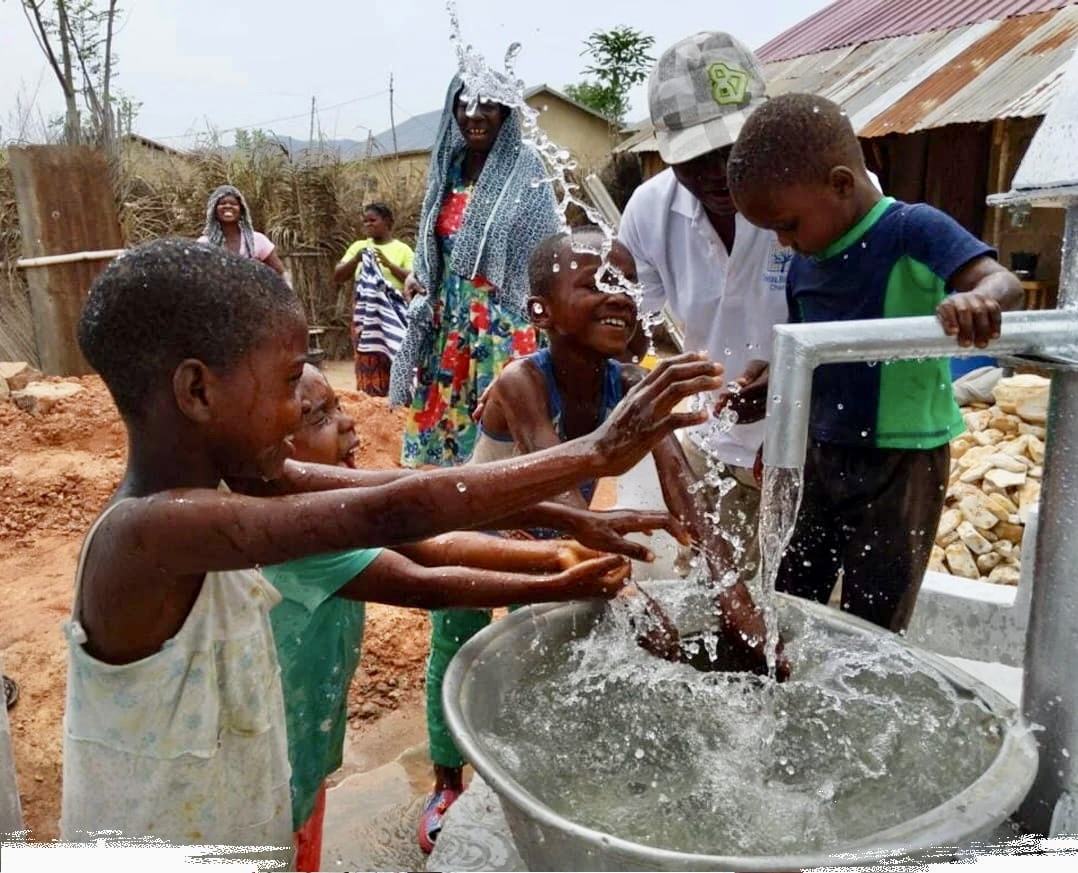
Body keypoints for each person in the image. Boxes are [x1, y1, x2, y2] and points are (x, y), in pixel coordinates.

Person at [61, 238, 721, 864]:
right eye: (291, 382)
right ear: (199, 391)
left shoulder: (249, 480)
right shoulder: (147, 534)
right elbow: (393, 513)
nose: (299, 411)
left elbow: (393, 488)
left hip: (239, 822)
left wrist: (568, 520)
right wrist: (593, 453)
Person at [418, 228, 790, 853]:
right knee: (460, 644)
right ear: (541, 310)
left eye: (623, 283)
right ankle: (446, 780)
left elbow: (686, 492)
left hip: (559, 530)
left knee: (536, 655)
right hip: (481, 529)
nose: (616, 296)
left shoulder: (630, 380)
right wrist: (629, 593)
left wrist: (735, 598)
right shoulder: (520, 383)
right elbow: (560, 496)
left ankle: (526, 768)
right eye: (592, 284)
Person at [267, 363, 641, 871]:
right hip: (268, 760)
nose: (350, 421)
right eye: (319, 416)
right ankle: (445, 785)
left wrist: (556, 553)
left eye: (338, 404)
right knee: (271, 839)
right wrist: (555, 577)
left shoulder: (326, 503)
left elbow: (424, 533)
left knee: (298, 828)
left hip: (300, 743)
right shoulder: (298, 528)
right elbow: (426, 576)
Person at [726, 92, 1024, 632]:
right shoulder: (807, 260)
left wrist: (979, 300)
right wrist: (771, 389)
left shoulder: (912, 229)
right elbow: (805, 352)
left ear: (841, 183)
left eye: (789, 224)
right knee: (789, 601)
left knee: (876, 618)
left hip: (902, 462)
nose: (784, 242)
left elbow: (1000, 282)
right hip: (818, 454)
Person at [618, 32, 792, 582]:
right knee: (713, 595)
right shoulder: (650, 210)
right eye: (696, 158)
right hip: (714, 445)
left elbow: (862, 319)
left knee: (807, 612)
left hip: (813, 451)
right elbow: (629, 330)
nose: (719, 172)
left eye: (735, 151)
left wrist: (789, 379)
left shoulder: (822, 194)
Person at [388, 73, 561, 466]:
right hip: (449, 324)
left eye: (487, 104)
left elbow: (546, 244)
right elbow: (432, 239)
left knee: (505, 412)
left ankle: (518, 507)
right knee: (449, 421)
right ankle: (455, 508)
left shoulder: (525, 165)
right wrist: (421, 273)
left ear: (505, 111)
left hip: (504, 319)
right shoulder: (449, 166)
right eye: (464, 104)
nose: (474, 115)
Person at [333, 203, 416, 395]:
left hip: (395, 313)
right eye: (365, 221)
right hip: (366, 314)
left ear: (387, 222)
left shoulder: (402, 250)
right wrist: (357, 260)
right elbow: (338, 275)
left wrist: (389, 265)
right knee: (367, 353)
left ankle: (397, 399)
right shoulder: (359, 247)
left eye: (373, 220)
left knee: (395, 352)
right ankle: (371, 399)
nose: (368, 225)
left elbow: (414, 278)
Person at [197, 184, 286, 275]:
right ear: (214, 211)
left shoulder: (257, 240)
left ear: (242, 211)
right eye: (222, 203)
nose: (228, 206)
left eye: (233, 204)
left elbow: (278, 271)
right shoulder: (204, 244)